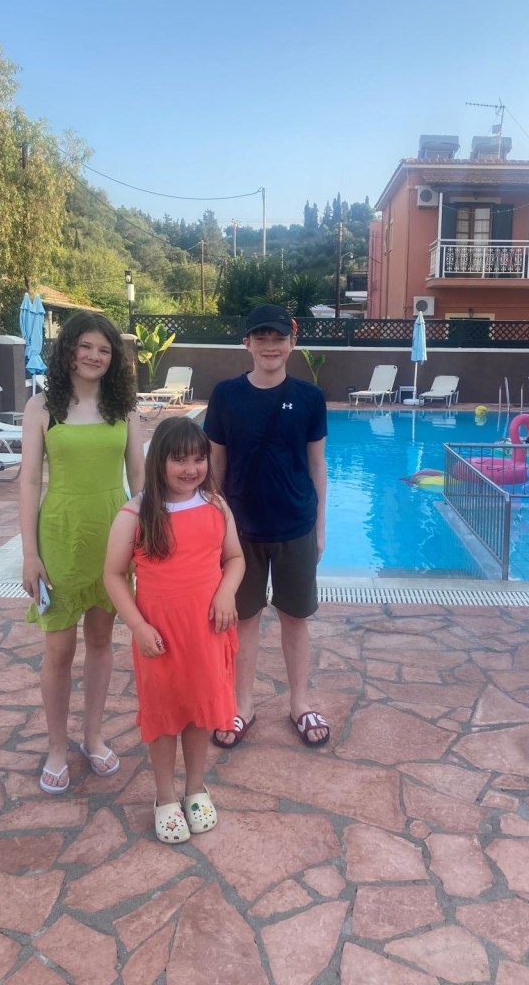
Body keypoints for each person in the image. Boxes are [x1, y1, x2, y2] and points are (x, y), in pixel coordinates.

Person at [20, 312, 145, 795]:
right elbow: (30, 482)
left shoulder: (124, 408)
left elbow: (139, 480)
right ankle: (57, 746)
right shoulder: (42, 407)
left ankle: (93, 736)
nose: (95, 356)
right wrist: (29, 554)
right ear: (69, 350)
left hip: (112, 534)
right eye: (86, 346)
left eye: (104, 350)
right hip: (60, 535)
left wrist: (146, 539)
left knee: (100, 640)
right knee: (58, 648)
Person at [103, 417, 244, 843]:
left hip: (206, 633)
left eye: (198, 459)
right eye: (179, 460)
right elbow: (113, 575)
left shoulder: (215, 505)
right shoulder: (135, 514)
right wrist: (137, 625)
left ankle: (195, 787)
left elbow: (235, 558)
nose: (191, 469)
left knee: (200, 711)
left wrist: (226, 592)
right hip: (159, 639)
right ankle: (165, 795)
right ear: (159, 460)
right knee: (164, 716)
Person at [203, 303, 329, 749]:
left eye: (278, 338)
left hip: (295, 524)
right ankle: (242, 705)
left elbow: (317, 465)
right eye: (261, 337)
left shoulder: (310, 397)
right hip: (241, 531)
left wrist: (320, 527)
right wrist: (214, 526)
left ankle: (300, 702)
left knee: (295, 618)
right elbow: (215, 464)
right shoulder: (226, 395)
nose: (270, 346)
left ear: (292, 343)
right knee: (244, 620)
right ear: (247, 343)